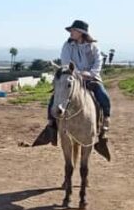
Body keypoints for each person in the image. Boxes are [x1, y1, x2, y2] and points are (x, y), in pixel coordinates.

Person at [33, 20, 112, 149]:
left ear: (81, 33)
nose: (71, 32)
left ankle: (105, 124)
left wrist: (91, 73)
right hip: (72, 77)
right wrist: (76, 74)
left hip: (90, 78)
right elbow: (65, 63)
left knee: (102, 95)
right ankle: (51, 126)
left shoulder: (93, 48)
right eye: (71, 30)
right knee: (56, 95)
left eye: (73, 30)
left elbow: (98, 62)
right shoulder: (67, 46)